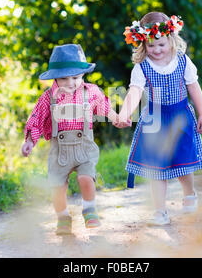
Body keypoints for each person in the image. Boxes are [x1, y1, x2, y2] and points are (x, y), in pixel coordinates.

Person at [22, 44, 128, 235]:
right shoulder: (48, 98)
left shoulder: (91, 92)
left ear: (83, 75)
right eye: (64, 78)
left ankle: (89, 209)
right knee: (57, 186)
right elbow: (36, 119)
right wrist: (30, 140)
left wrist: (117, 119)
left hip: (84, 147)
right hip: (59, 150)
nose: (71, 82)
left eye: (76, 77)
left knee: (85, 177)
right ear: (55, 77)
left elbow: (104, 108)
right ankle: (62, 217)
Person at [118, 12, 202, 226]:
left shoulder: (183, 62)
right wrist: (125, 113)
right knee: (156, 168)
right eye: (151, 46)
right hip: (154, 119)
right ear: (143, 45)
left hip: (180, 116)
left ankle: (189, 194)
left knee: (183, 162)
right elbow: (134, 92)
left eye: (161, 45)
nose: (156, 50)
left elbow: (194, 87)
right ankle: (160, 211)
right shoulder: (141, 67)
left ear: (171, 40)